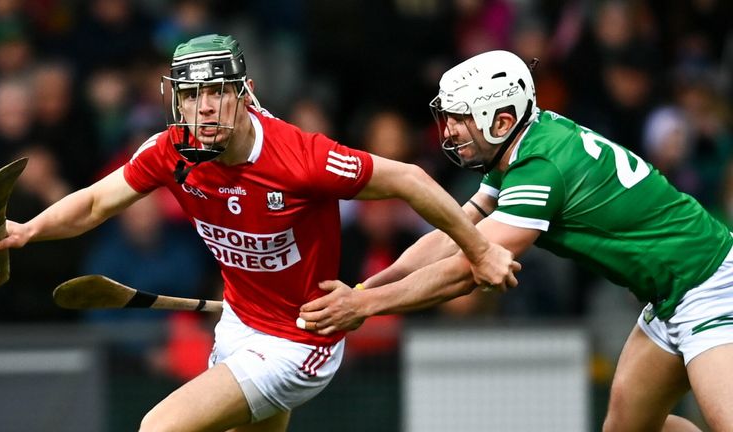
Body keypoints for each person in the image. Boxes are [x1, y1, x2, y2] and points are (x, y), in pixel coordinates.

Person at [0, 34, 518, 432]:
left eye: (217, 92)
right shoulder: (172, 150)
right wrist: (29, 231)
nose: (204, 107)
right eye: (191, 96)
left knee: (157, 428)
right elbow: (97, 202)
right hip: (239, 323)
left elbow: (410, 178)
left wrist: (480, 250)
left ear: (244, 95)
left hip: (301, 340)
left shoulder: (299, 159)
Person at [299, 50, 733, 431]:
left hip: (708, 284)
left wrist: (365, 308)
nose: (447, 131)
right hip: (669, 295)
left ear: (502, 120)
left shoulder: (539, 164)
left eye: (460, 118)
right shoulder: (519, 143)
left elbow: (468, 267)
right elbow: (456, 233)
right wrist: (363, 290)